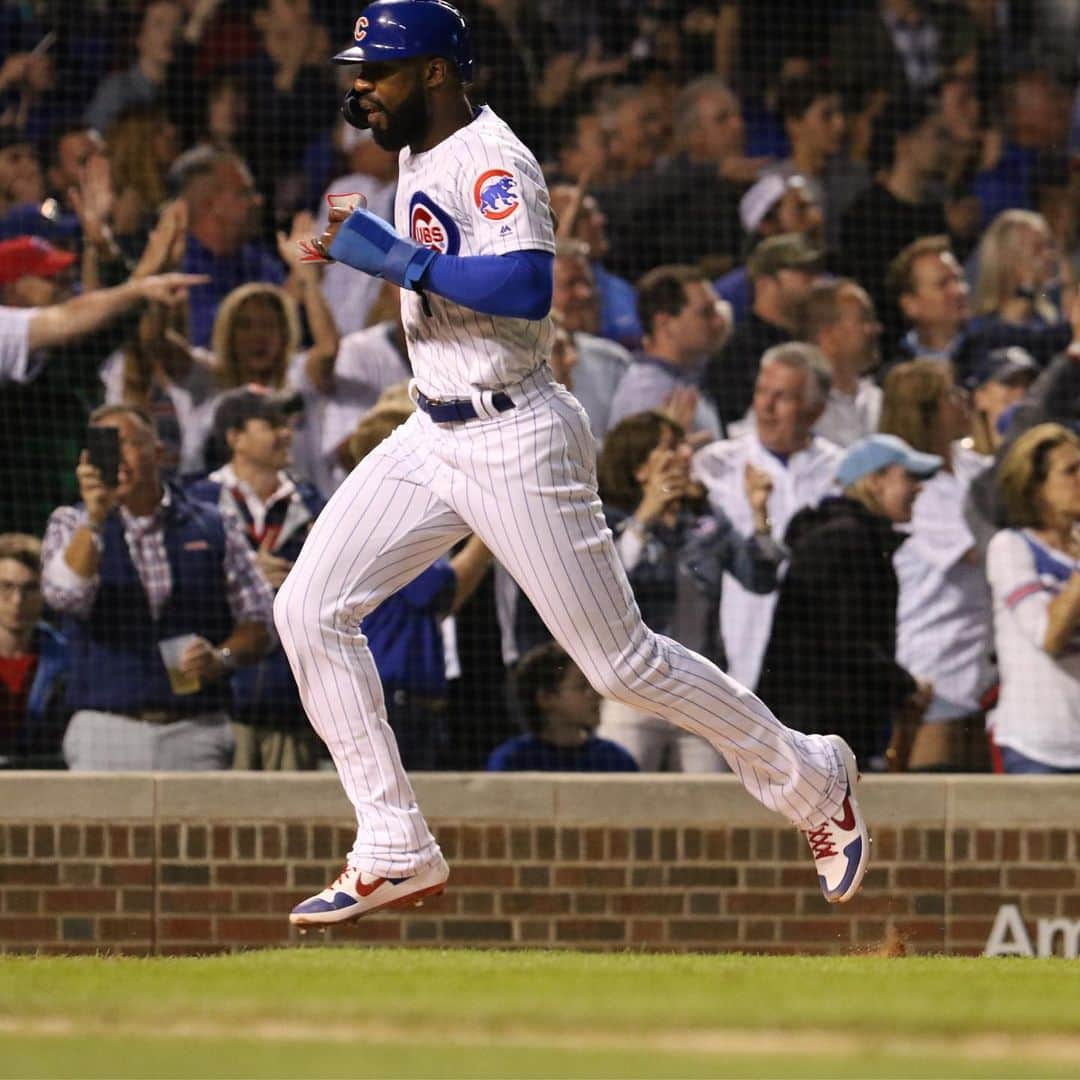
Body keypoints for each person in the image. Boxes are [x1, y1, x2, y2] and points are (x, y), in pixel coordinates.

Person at [277, 0, 871, 928]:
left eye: (379, 70)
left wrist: (395, 260)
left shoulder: (493, 157)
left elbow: (524, 286)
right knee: (308, 607)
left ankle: (811, 774)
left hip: (514, 432)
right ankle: (393, 842)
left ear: (435, 71)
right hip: (432, 427)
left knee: (621, 664)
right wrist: (387, 255)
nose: (361, 87)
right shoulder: (416, 147)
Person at [41, 404, 276, 771]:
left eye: (127, 444)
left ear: (158, 451)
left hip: (198, 727)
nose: (116, 458)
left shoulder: (214, 524)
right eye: (104, 447)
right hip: (103, 727)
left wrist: (221, 658)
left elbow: (262, 620)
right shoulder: (71, 522)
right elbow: (65, 596)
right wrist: (96, 517)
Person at [594, 411, 784, 772]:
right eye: (671, 447)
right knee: (620, 803)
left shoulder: (705, 519)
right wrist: (645, 518)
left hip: (701, 690)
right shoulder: (610, 520)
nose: (686, 454)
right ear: (639, 467)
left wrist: (760, 516)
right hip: (634, 689)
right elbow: (608, 583)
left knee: (708, 807)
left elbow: (759, 580)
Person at [757, 433, 941, 770]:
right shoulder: (846, 540)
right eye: (909, 477)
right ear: (874, 481)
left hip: (820, 728)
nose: (919, 488)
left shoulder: (853, 536)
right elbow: (841, 640)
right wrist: (905, 685)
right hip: (817, 733)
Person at [187, 386, 324, 770]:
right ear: (235, 437)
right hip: (218, 704)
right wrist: (244, 570)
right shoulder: (196, 503)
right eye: (271, 424)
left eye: (287, 425)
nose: (286, 434)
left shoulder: (313, 503)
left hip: (293, 703)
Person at [694, 342, 844, 691]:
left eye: (784, 397)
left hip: (815, 653)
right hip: (735, 647)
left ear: (815, 411)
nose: (766, 407)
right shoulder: (715, 465)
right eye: (762, 392)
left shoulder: (841, 473)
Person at [880, 359, 995, 771]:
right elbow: (983, 550)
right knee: (928, 799)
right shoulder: (918, 490)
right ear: (925, 411)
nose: (962, 401)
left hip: (984, 666)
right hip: (935, 666)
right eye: (950, 394)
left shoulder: (973, 468)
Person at [987, 423, 1080, 774]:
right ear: (1036, 487)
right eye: (1070, 471)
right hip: (1038, 747)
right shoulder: (1011, 548)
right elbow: (1049, 636)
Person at [704, 233, 823, 431]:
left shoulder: (809, 341)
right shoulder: (737, 353)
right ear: (765, 282)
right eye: (803, 271)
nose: (815, 281)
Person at [169, 145, 285, 346]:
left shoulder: (257, 261)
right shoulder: (178, 266)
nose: (257, 201)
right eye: (244, 193)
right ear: (209, 204)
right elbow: (204, 339)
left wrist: (306, 282)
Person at [608, 266, 729, 443]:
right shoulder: (645, 395)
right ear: (664, 324)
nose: (719, 321)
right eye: (706, 313)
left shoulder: (686, 379)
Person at [487, 641, 638, 773]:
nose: (596, 695)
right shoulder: (513, 760)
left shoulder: (614, 759)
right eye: (583, 686)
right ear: (546, 698)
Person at [713, 173, 824, 326]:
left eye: (813, 206)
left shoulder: (828, 283)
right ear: (766, 224)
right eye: (801, 209)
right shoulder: (729, 294)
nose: (817, 217)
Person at [0, 532, 68, 766]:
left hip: (44, 781)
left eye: (29, 588)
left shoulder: (67, 659)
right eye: (6, 587)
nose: (17, 600)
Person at [802, 279, 884, 448]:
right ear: (828, 336)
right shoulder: (796, 408)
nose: (876, 328)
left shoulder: (880, 401)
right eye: (864, 320)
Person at [964, 347, 1040, 457]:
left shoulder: (1047, 456)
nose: (1022, 391)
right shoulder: (959, 459)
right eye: (1011, 382)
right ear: (980, 397)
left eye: (1029, 384)